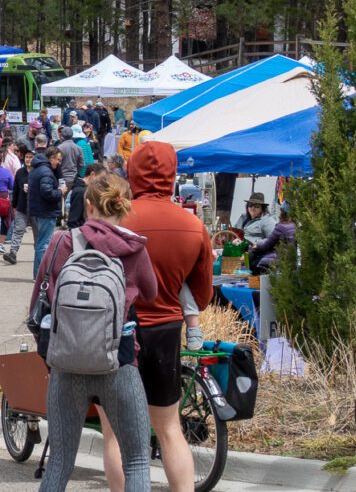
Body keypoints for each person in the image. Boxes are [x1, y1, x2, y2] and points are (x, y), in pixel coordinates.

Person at [31, 174, 159, 492]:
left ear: (88, 205)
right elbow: (152, 293)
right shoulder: (134, 248)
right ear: (123, 206)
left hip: (66, 363)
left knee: (59, 462)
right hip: (119, 361)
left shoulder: (62, 242)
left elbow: (38, 303)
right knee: (137, 461)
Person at [115, 141, 214, 491]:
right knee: (170, 428)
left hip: (119, 329)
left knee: (117, 432)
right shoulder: (192, 225)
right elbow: (201, 295)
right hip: (166, 330)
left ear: (133, 171)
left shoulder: (115, 218)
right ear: (172, 175)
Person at [28, 147, 63, 274]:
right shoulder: (46, 172)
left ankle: (38, 273)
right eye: (58, 160)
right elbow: (47, 192)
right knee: (43, 244)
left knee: (40, 242)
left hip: (37, 210)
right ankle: (40, 274)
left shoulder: (36, 168)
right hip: (45, 211)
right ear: (52, 158)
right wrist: (60, 192)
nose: (58, 163)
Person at [249, 205, 295, 275]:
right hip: (290, 260)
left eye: (257, 206)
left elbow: (267, 245)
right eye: (251, 205)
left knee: (253, 260)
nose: (253, 208)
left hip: (277, 259)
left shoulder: (280, 226)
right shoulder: (294, 225)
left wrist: (257, 244)